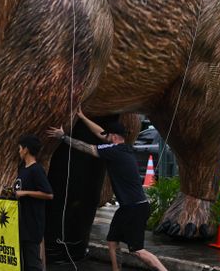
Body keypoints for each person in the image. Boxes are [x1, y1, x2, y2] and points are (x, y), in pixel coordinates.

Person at [47, 113, 167, 271]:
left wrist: (63, 137)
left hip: (135, 208)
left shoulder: (113, 151)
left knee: (138, 250)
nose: (104, 137)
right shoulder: (123, 148)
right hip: (127, 207)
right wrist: (82, 116)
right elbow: (100, 133)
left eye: (108, 135)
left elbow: (87, 148)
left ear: (115, 136)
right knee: (112, 241)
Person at [14, 134, 53, 271]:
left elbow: (49, 194)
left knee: (32, 263)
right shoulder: (23, 169)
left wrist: (25, 193)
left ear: (26, 150)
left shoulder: (36, 170)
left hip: (32, 224)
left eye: (20, 148)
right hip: (22, 222)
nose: (19, 151)